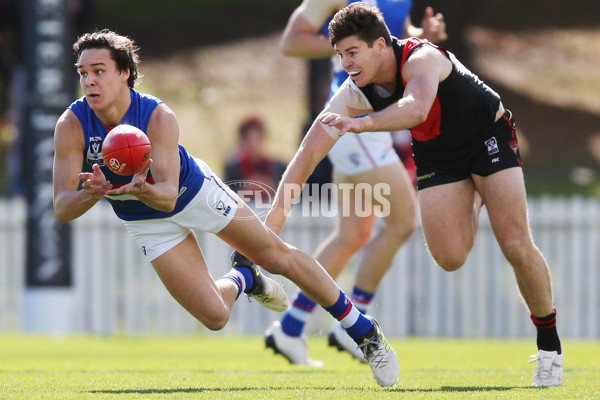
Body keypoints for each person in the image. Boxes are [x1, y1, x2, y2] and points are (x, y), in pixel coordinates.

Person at [52, 29, 399, 387]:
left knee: (276, 256)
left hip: (194, 194)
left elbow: (169, 195)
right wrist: (94, 194)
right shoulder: (72, 124)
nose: (88, 81)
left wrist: (140, 188)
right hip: (144, 220)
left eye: (98, 71)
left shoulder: (157, 115)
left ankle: (362, 330)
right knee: (215, 317)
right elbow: (62, 207)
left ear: (124, 72)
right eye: (82, 73)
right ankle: (243, 277)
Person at [265, 4, 563, 388]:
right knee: (450, 257)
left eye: (352, 53)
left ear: (380, 45)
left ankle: (549, 349)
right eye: (340, 55)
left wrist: (361, 124)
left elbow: (417, 108)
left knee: (516, 244)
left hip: (487, 137)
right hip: (439, 155)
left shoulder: (420, 57)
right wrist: (273, 222)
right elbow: (307, 155)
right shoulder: (355, 90)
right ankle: (474, 193)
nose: (346, 64)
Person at [265, 0, 445, 366]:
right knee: (403, 222)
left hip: (369, 118)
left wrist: (419, 37)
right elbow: (291, 42)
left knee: (353, 235)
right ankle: (355, 320)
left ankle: (291, 326)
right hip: (355, 115)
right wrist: (351, 49)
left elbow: (392, 37)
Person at [223, 115, 286, 201]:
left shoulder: (278, 167)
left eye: (258, 138)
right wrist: (246, 190)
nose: (255, 145)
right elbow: (227, 196)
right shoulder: (233, 168)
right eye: (250, 139)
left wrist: (271, 188)